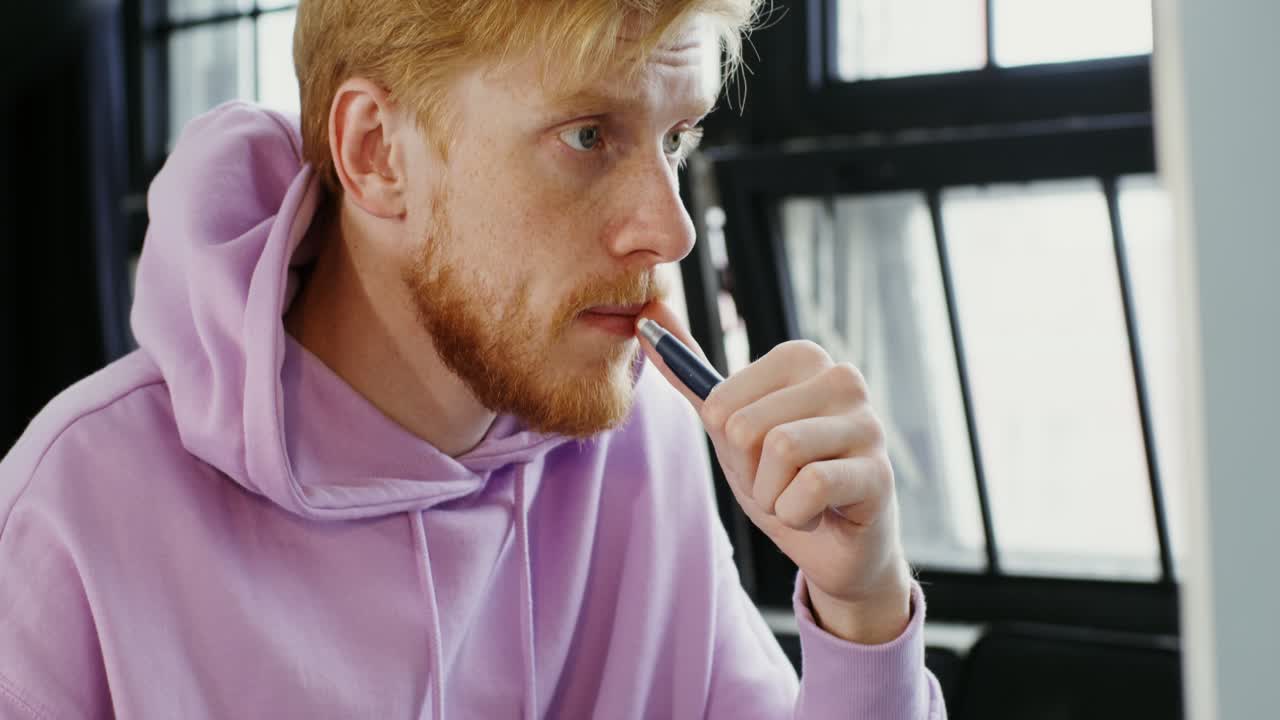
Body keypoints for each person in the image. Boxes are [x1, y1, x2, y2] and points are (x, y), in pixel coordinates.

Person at [0, 0, 944, 717]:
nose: (672, 230)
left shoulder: (642, 451)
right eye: (588, 135)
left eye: (676, 136)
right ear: (378, 153)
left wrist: (861, 609)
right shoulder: (75, 512)